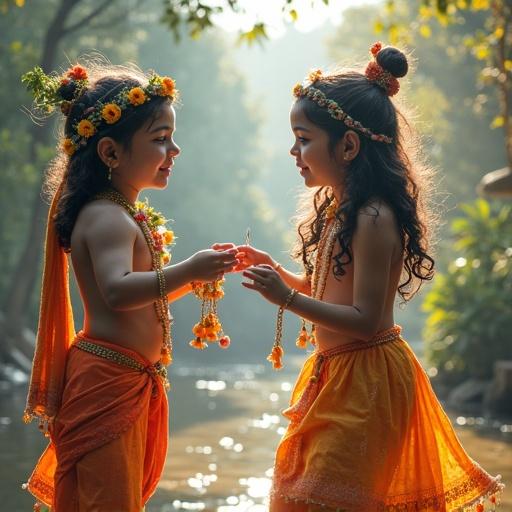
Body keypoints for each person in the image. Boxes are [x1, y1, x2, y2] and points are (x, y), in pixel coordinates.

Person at [228, 42, 504, 511]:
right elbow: (329, 292)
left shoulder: (375, 215)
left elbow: (365, 317)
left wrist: (285, 300)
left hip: (369, 381)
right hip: (338, 376)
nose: (294, 151)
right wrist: (278, 273)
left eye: (304, 138)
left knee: (324, 499)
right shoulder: (342, 208)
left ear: (349, 145)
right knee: (302, 495)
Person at [22, 61, 237, 511]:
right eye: (160, 139)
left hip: (124, 378)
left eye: (172, 138)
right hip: (106, 378)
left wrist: (195, 275)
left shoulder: (120, 213)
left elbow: (135, 295)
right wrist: (190, 268)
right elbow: (118, 292)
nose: (174, 150)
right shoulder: (105, 216)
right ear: (110, 153)